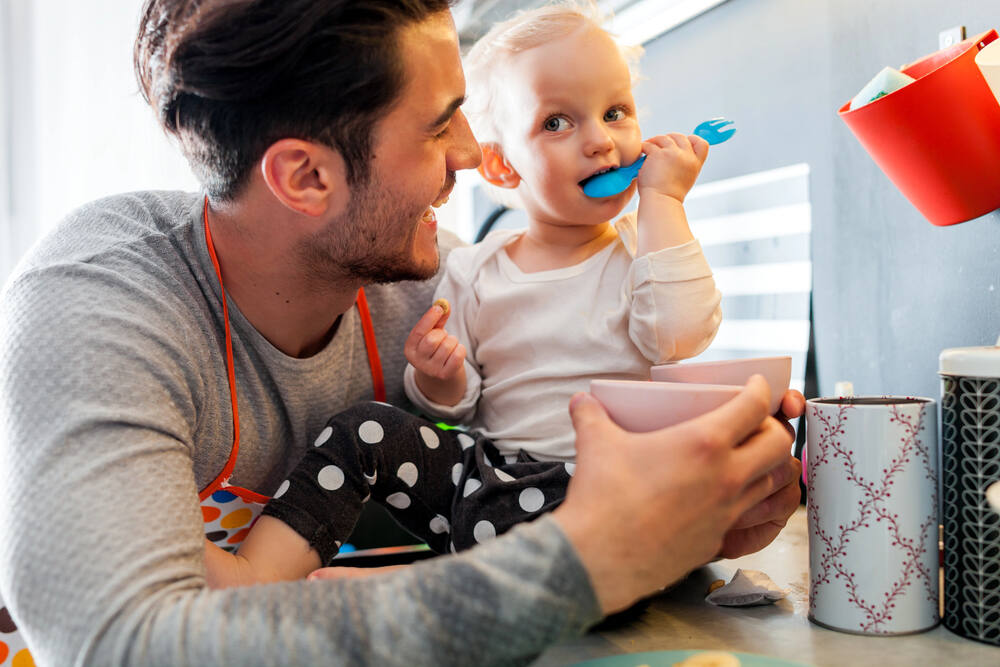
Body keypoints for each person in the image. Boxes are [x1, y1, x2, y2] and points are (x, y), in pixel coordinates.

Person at [0, 1, 803, 665]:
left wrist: (699, 505)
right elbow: (116, 644)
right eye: (439, 124)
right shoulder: (104, 296)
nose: (469, 154)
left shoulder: (434, 284)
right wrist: (584, 560)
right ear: (306, 177)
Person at [204, 1, 728, 585]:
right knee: (364, 430)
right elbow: (455, 407)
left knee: (646, 527)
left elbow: (678, 335)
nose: (601, 142)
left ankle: (401, 586)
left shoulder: (647, 247)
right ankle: (260, 574)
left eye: (615, 111)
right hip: (490, 486)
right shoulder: (474, 268)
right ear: (502, 167)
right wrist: (439, 378)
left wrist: (664, 203)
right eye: (557, 122)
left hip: (611, 492)